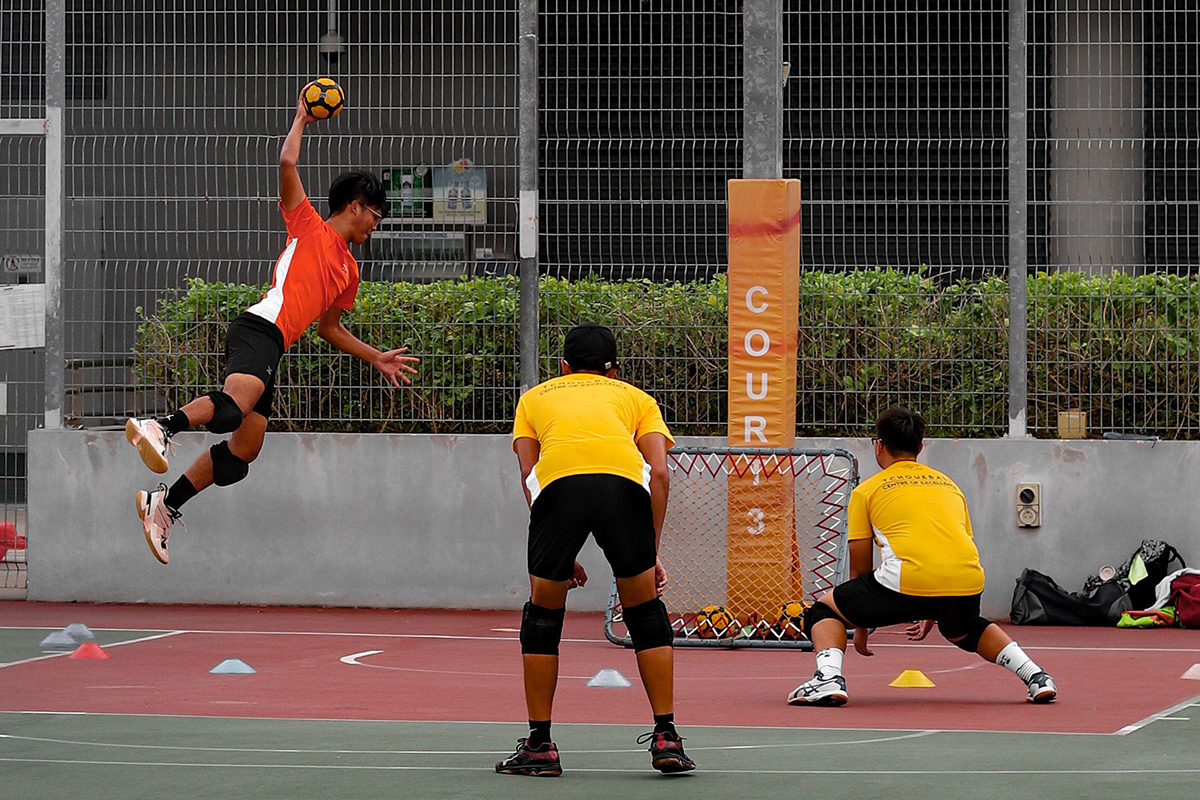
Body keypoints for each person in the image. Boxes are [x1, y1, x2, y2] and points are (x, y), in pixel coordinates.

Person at [125, 91, 419, 564]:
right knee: (231, 408)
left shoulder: (350, 272)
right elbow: (286, 163)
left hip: (274, 345)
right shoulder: (308, 226)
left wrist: (376, 356)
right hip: (257, 328)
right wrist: (302, 118)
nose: (376, 227)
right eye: (376, 216)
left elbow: (329, 329)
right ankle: (159, 427)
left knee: (244, 451)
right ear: (355, 206)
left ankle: (164, 504)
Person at [495, 323, 695, 778]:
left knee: (542, 618)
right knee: (645, 612)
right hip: (623, 489)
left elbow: (531, 475)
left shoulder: (535, 397)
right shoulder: (636, 399)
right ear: (615, 371)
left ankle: (540, 746)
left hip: (558, 493)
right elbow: (660, 474)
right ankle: (667, 736)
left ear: (562, 366)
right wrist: (650, 549)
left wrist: (560, 553)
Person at [788, 407, 1057, 706]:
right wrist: (933, 607)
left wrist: (859, 625)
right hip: (966, 577)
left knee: (823, 611)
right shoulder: (949, 486)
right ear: (920, 447)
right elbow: (948, 545)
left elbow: (861, 567)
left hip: (907, 580)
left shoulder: (867, 491)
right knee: (963, 630)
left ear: (878, 445)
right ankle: (1036, 676)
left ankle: (828, 679)